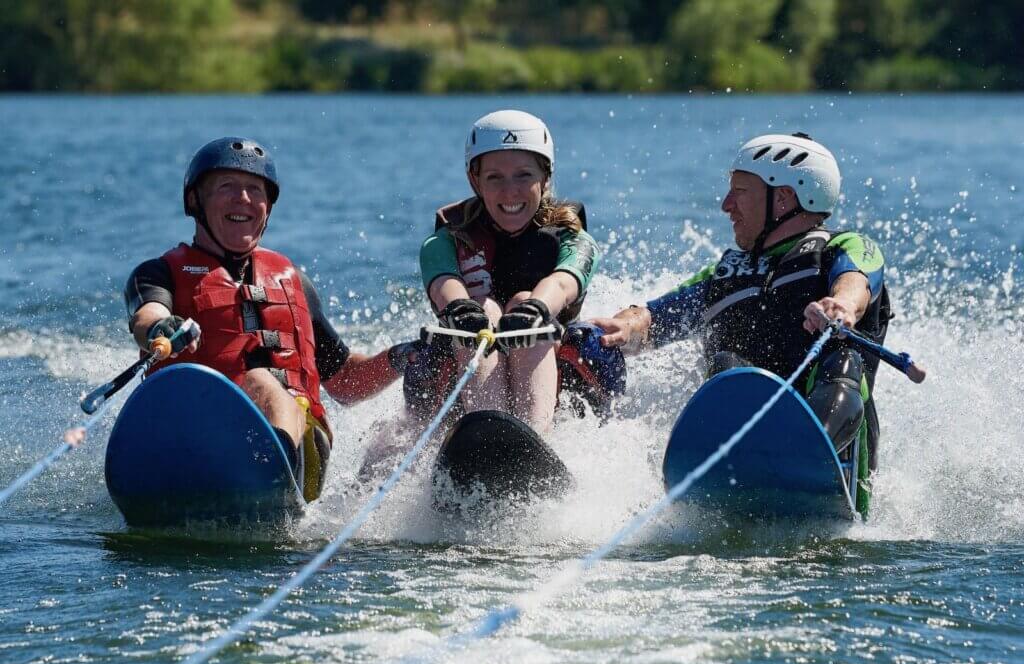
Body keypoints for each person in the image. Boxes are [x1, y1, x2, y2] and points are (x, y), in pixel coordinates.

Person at [123, 137, 420, 501]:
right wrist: (159, 327)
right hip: (191, 433)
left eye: (254, 190)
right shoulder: (158, 273)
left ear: (267, 207)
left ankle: (272, 481)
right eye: (227, 188)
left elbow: (344, 381)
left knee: (263, 382)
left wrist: (402, 356)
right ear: (194, 201)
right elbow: (146, 314)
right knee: (256, 381)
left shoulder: (292, 282)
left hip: (300, 453)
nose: (243, 199)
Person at [591, 133, 891, 491]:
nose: (726, 205)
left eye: (741, 192)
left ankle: (807, 457)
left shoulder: (845, 248)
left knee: (843, 363)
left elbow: (856, 281)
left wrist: (840, 305)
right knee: (728, 365)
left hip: (839, 451)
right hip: (737, 454)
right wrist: (624, 326)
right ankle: (736, 462)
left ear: (783, 197)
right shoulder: (725, 274)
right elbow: (655, 316)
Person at [416, 110, 611, 433]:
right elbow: (442, 281)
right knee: (484, 308)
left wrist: (536, 308)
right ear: (474, 180)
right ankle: (489, 431)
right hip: (471, 349)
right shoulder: (445, 239)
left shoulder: (573, 237)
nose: (511, 192)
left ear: (546, 177)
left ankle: (532, 436)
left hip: (552, 352)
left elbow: (563, 282)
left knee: (522, 300)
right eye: (495, 178)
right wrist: (460, 308)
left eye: (523, 175)